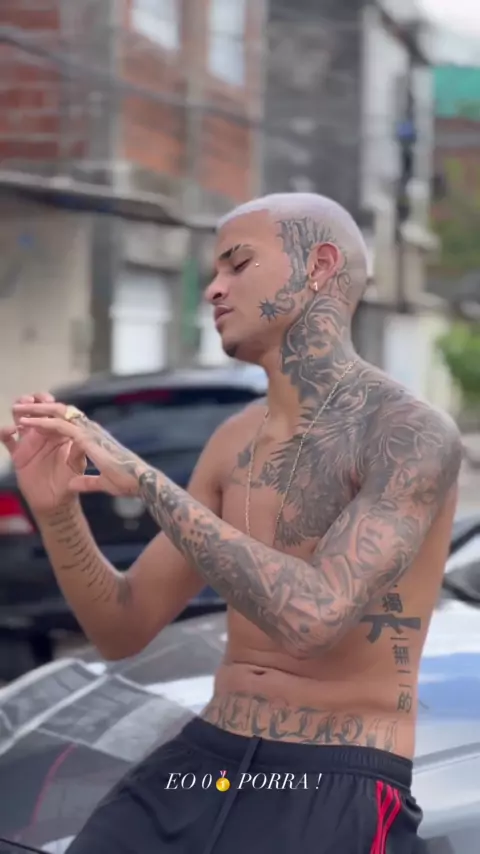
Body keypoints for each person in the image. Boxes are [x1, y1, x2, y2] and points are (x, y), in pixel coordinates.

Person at [1, 193, 462, 854]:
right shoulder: (232, 440)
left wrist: (148, 482)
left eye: (237, 265)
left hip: (332, 777)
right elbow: (122, 627)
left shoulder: (410, 434)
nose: (213, 288)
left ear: (318, 266)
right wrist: (58, 511)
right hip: (209, 757)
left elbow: (314, 617)